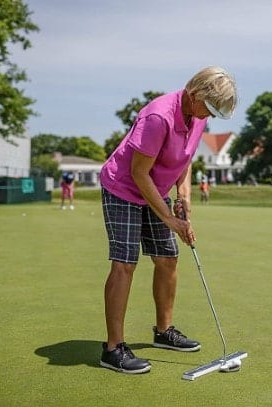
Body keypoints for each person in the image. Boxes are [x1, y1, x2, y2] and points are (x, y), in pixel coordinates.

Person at [98, 66, 237, 374]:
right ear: (195, 94)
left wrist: (182, 197)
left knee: (168, 258)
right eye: (211, 108)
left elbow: (183, 161)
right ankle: (112, 348)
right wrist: (170, 220)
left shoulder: (198, 118)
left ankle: (164, 331)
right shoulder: (158, 116)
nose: (211, 116)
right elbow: (138, 172)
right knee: (124, 263)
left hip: (156, 187)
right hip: (123, 187)